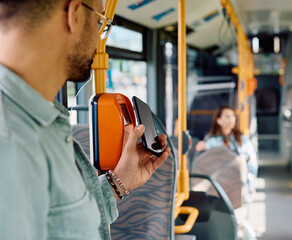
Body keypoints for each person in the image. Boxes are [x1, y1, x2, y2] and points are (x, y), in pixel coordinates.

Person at [0, 0, 170, 239]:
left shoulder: (40, 121)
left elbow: (63, 222)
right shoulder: (11, 141)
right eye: (100, 22)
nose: (100, 36)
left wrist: (119, 181)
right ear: (74, 14)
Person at [196, 106, 258, 193]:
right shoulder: (210, 141)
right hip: (217, 182)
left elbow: (253, 165)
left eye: (233, 116)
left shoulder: (243, 140)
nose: (231, 119)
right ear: (219, 120)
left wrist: (245, 170)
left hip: (238, 182)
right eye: (227, 116)